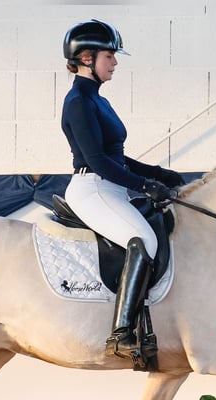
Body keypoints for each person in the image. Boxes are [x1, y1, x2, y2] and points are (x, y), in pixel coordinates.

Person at [61, 19, 185, 366]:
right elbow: (99, 161)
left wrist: (158, 173)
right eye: (109, 56)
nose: (115, 63)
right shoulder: (78, 103)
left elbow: (117, 156)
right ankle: (121, 334)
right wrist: (145, 185)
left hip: (111, 185)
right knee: (143, 239)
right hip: (93, 188)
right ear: (86, 58)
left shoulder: (98, 99)